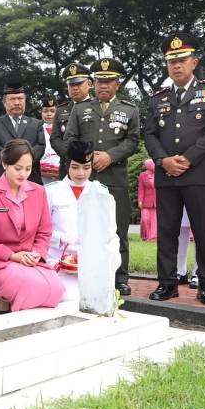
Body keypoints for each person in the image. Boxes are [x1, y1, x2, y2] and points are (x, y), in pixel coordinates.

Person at [144, 33, 205, 304]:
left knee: (203, 232)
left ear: (194, 62)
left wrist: (188, 159)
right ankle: (167, 283)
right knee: (167, 232)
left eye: (182, 60)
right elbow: (150, 134)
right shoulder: (157, 98)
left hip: (199, 174)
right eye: (172, 62)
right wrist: (163, 161)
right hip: (167, 175)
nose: (177, 66)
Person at [64, 58, 140, 296]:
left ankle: (120, 277)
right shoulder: (80, 109)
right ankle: (84, 272)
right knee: (82, 228)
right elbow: (70, 139)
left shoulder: (129, 109)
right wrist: (87, 156)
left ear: (118, 84)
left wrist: (110, 156)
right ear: (93, 83)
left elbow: (133, 141)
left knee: (118, 229)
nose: (103, 85)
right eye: (99, 81)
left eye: (109, 81)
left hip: (115, 178)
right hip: (85, 178)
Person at [0, 138, 65, 313]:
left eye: (28, 169)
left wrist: (36, 254)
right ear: (4, 163)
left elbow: (44, 232)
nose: (23, 174)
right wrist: (13, 256)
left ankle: (9, 310)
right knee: (25, 285)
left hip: (30, 260)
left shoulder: (38, 191)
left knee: (57, 288)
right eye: (17, 168)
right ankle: (9, 316)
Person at [45, 140, 94, 301]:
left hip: (90, 263)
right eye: (75, 167)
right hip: (57, 262)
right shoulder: (51, 192)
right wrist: (61, 239)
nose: (80, 173)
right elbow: (40, 231)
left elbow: (109, 235)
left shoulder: (100, 193)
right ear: (66, 165)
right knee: (70, 299)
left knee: (98, 299)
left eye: (86, 168)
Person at [0, 81, 46, 183]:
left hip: (31, 179)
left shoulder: (36, 124)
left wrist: (23, 162)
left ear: (25, 101)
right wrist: (15, 163)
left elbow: (40, 147)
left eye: (20, 98)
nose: (17, 102)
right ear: (4, 102)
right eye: (12, 99)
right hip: (4, 179)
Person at [50, 62, 93, 179]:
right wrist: (69, 154)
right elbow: (55, 138)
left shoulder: (97, 108)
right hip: (67, 166)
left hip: (91, 166)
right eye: (71, 84)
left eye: (79, 83)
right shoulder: (61, 110)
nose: (74, 88)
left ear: (89, 84)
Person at [39, 95, 61, 183]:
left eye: (52, 111)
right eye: (45, 111)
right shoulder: (35, 129)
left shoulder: (65, 129)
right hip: (42, 176)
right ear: (41, 112)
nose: (49, 114)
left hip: (62, 174)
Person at [138, 159, 157, 241]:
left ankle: (153, 237)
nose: (153, 166)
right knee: (145, 219)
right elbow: (141, 189)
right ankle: (145, 235)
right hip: (146, 202)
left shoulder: (158, 174)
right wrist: (140, 200)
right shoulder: (142, 175)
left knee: (154, 221)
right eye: (151, 164)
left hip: (156, 202)